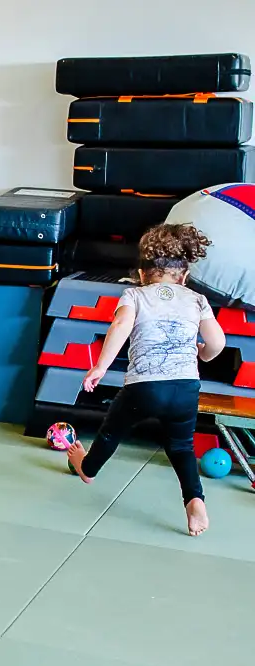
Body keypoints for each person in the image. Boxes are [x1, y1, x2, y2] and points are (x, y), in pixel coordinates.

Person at [66, 223, 227, 536]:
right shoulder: (196, 299)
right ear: (184, 276)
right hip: (185, 388)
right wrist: (202, 355)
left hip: (144, 387)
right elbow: (217, 343)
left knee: (112, 430)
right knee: (181, 446)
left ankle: (88, 468)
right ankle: (194, 500)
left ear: (141, 274)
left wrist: (100, 366)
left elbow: (121, 326)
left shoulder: (135, 295)